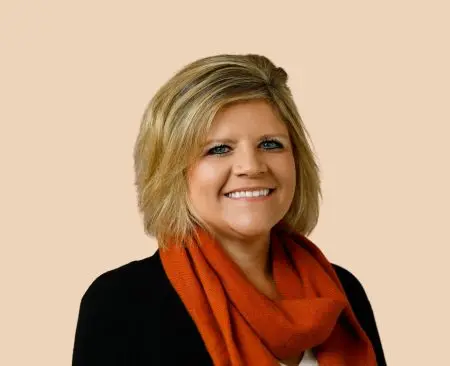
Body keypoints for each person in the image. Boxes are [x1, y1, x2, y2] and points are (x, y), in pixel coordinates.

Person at [72, 54, 387, 365]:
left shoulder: (340, 291)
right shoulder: (122, 304)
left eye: (271, 144)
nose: (251, 167)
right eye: (219, 149)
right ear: (172, 170)